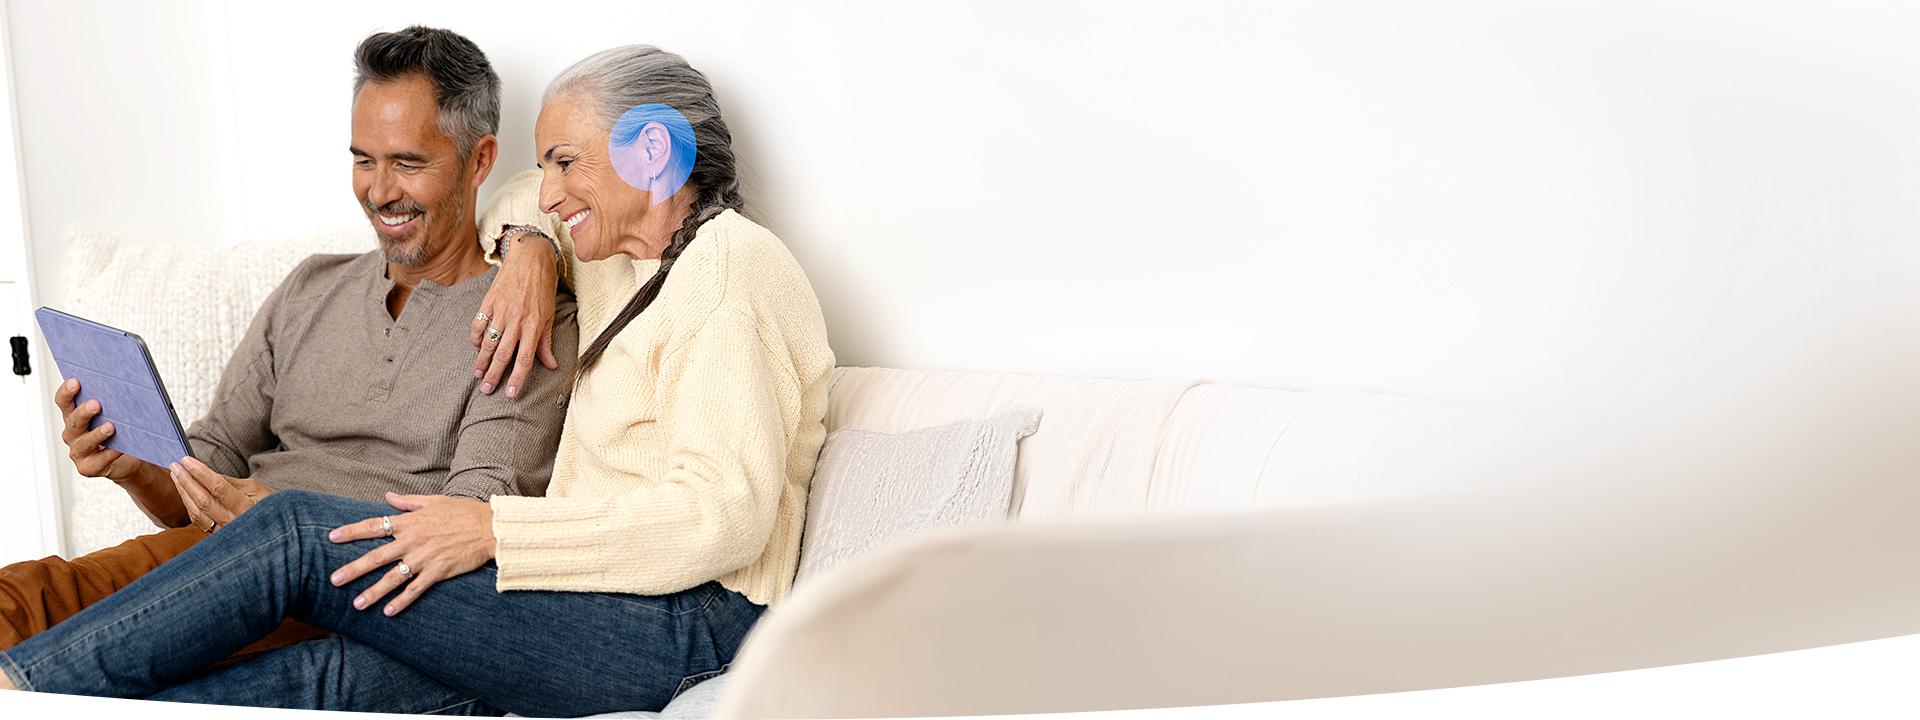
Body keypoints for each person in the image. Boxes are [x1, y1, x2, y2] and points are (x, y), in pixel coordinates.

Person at [0, 44, 835, 717]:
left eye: (567, 162)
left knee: (290, 529)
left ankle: (22, 692)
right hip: (590, 604)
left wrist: (498, 532)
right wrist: (531, 245)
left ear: (654, 152)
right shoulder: (620, 259)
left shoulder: (733, 268)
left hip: (686, 626)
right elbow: (518, 196)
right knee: (319, 685)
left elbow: (720, 517)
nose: (548, 189)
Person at [0, 26, 576, 657]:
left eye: (408, 163)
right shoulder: (310, 286)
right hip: (211, 561)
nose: (379, 192)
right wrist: (134, 467)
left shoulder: (524, 317)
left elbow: (468, 531)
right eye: (363, 160)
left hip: (344, 595)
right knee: (26, 595)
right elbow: (206, 468)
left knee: (46, 633)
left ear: (480, 161)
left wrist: (286, 523)